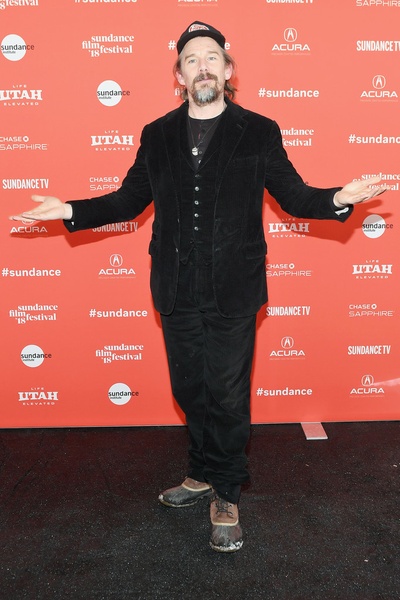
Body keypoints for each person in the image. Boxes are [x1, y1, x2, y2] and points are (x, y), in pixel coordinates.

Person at [10, 21, 388, 553]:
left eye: (212, 57)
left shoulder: (259, 130)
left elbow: (294, 195)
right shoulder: (157, 133)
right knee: (189, 390)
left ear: (228, 71)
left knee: (227, 394)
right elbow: (127, 201)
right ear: (179, 76)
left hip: (234, 286)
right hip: (176, 286)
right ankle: (201, 471)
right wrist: (69, 209)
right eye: (191, 59)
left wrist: (338, 199)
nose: (202, 66)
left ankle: (226, 492)